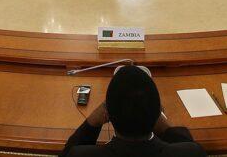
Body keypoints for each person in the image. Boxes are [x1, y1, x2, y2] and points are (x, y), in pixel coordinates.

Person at [59, 65, 205, 157]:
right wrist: (165, 128)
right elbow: (187, 146)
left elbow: (68, 153)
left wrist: (92, 123)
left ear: (108, 114)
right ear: (158, 112)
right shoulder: (191, 152)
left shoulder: (79, 154)